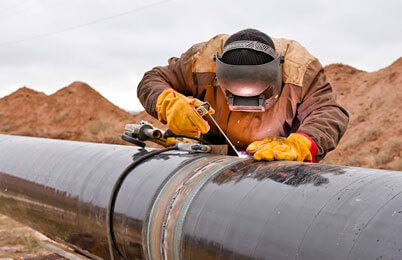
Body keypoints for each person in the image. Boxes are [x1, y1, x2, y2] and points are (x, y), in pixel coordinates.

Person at [137, 28, 349, 162]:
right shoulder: (200, 62)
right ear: (218, 72)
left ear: (279, 70)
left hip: (277, 163)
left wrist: (302, 143)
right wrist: (167, 101)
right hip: (213, 157)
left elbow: (328, 112)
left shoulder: (300, 71)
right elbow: (153, 80)